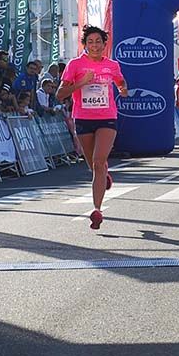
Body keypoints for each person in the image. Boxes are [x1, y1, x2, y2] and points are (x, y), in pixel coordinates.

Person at [56, 26, 129, 230]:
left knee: (98, 162)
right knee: (93, 166)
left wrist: (123, 88)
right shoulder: (75, 64)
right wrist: (81, 82)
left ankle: (97, 210)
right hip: (83, 118)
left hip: (107, 118)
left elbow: (121, 81)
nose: (94, 45)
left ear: (104, 44)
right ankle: (104, 176)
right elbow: (60, 94)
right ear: (85, 45)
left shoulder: (112, 65)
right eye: (90, 42)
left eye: (98, 41)